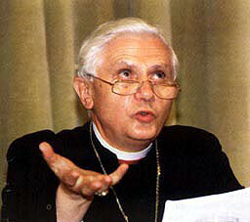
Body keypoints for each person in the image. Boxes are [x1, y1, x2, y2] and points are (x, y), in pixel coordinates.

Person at [1, 17, 243, 222]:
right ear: (86, 92)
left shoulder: (197, 151)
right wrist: (70, 201)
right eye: (126, 75)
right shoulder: (41, 158)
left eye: (159, 76)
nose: (147, 93)